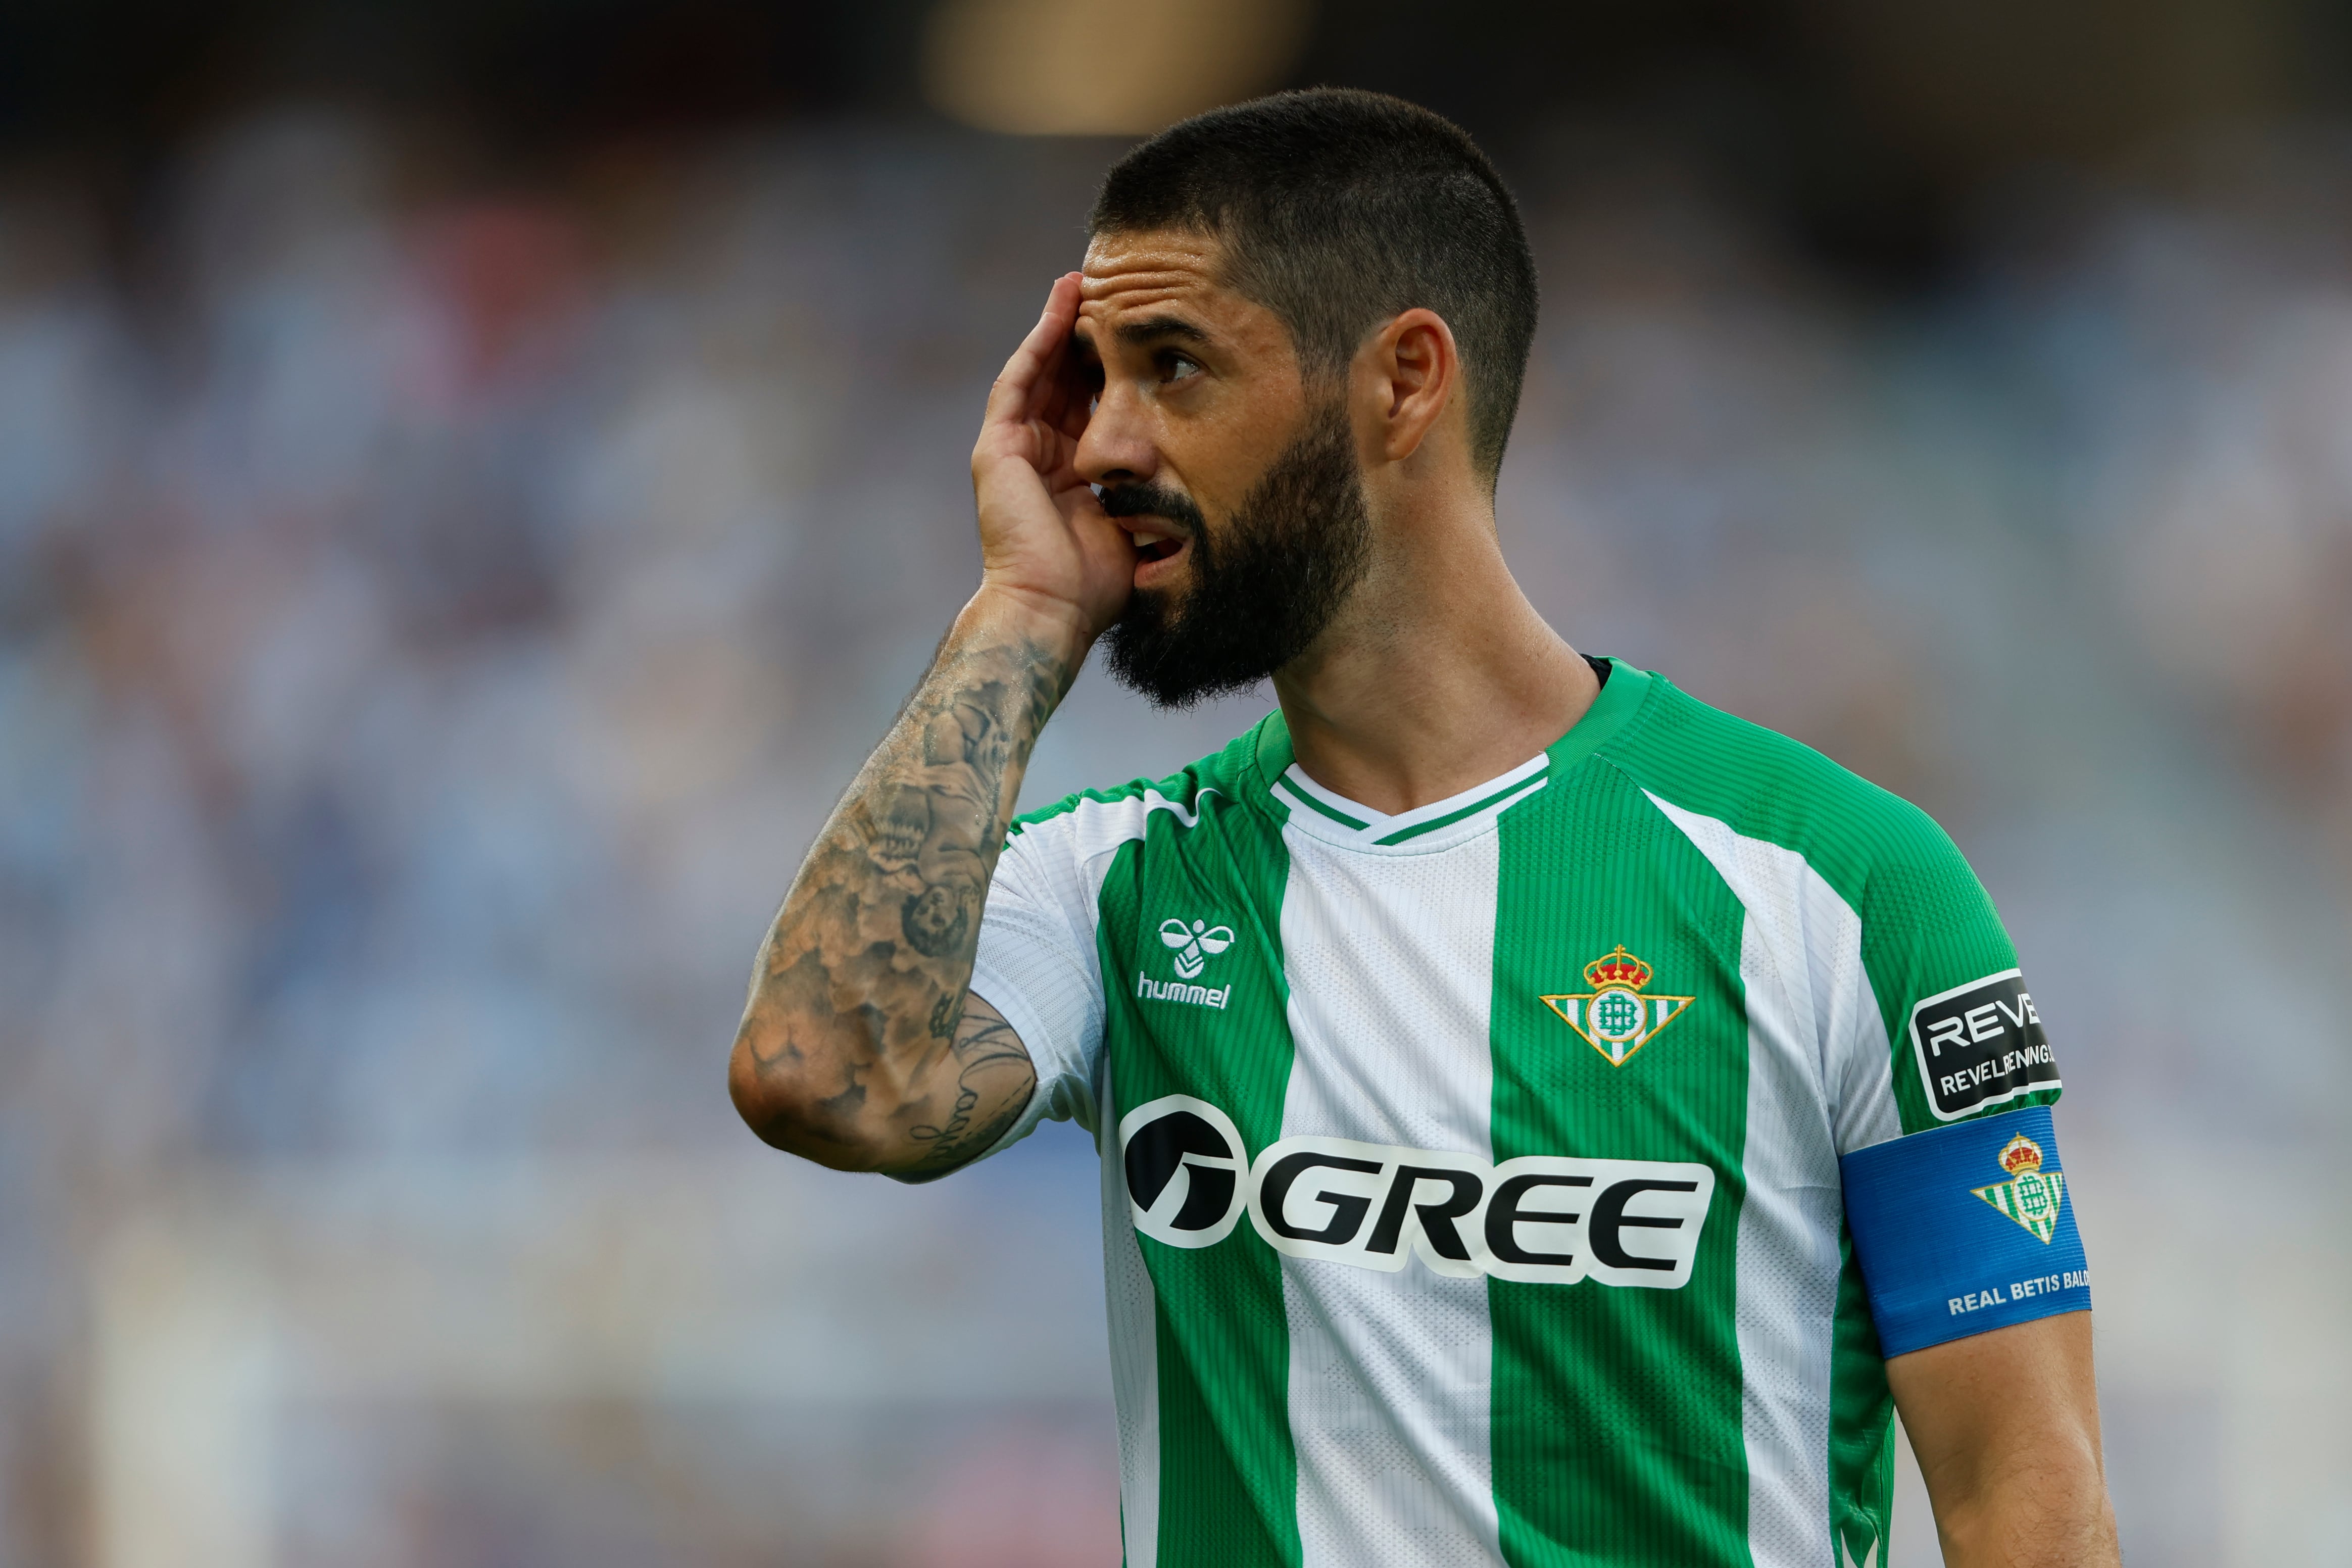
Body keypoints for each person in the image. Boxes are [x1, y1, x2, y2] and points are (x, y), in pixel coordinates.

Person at [728, 88, 2119, 1568]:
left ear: (1403, 382)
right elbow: (823, 1082)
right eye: (1096, 378)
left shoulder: (1841, 885)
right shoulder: (1119, 881)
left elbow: (2024, 1498)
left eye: (1174, 368)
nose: (1105, 446)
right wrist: (1018, 611)